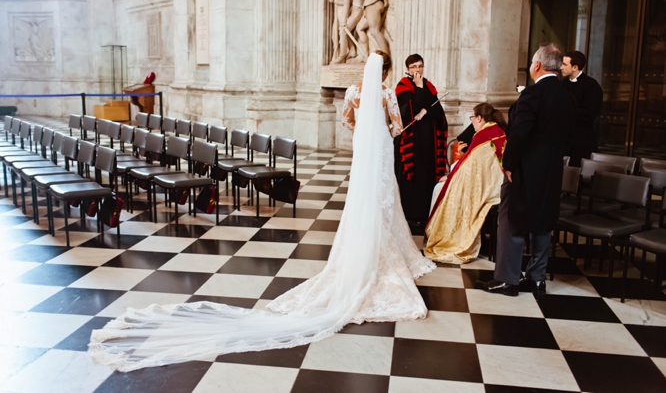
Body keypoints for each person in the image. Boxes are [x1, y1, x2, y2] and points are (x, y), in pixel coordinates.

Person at [89, 51, 435, 372]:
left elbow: (348, 122)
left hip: (362, 151)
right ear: (387, 72)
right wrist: (393, 128)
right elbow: (395, 127)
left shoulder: (353, 93)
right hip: (380, 153)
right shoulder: (388, 95)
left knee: (361, 199)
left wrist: (363, 130)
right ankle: (384, 246)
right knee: (383, 199)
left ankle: (361, 245)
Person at [475, 43, 575, 296]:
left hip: (526, 168)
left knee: (511, 220)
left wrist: (508, 164)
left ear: (537, 65)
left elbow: (519, 134)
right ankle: (537, 278)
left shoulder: (532, 94)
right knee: (543, 221)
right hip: (552, 169)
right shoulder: (566, 96)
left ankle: (507, 280)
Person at [424, 103, 507, 264]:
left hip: (489, 188)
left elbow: (471, 170)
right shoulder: (496, 131)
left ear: (479, 118)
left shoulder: (483, 135)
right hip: (498, 184)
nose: (472, 123)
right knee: (441, 187)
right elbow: (475, 166)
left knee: (439, 189)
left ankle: (437, 235)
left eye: (472, 118)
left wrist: (449, 178)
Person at [394, 54, 448, 225]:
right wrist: (418, 88)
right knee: (412, 176)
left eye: (420, 66)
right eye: (414, 66)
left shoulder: (429, 85)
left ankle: (426, 212)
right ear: (408, 69)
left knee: (426, 173)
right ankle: (410, 214)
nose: (418, 70)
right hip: (411, 139)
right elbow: (408, 112)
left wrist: (426, 111)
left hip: (427, 140)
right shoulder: (403, 86)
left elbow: (437, 109)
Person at [560, 51, 603, 167]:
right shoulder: (562, 85)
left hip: (581, 139)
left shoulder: (591, 86)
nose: (561, 67)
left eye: (564, 64)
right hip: (563, 139)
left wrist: (565, 111)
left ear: (575, 67)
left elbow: (589, 113)